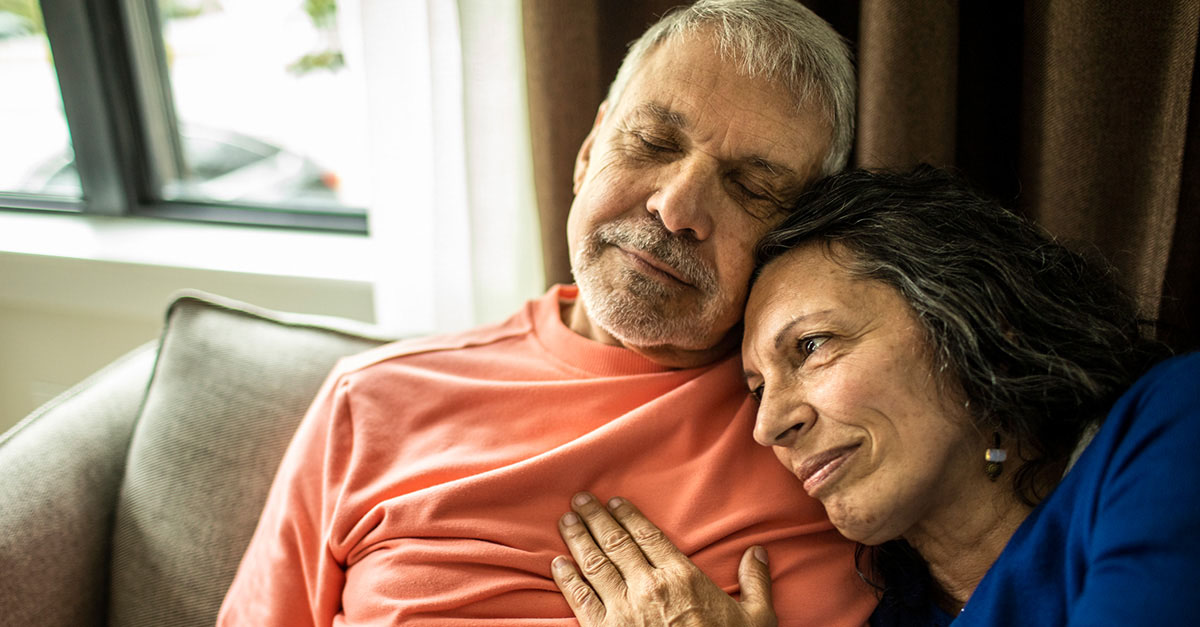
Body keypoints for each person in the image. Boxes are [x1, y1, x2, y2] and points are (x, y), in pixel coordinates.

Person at [218, 1, 878, 624]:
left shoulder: (835, 441)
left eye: (749, 187)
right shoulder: (367, 403)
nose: (677, 208)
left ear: (796, 235)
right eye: (652, 142)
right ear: (590, 150)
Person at [550, 166, 1196, 626]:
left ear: (975, 315)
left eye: (810, 345)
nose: (770, 424)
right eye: (755, 390)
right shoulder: (887, 612)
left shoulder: (1170, 423)